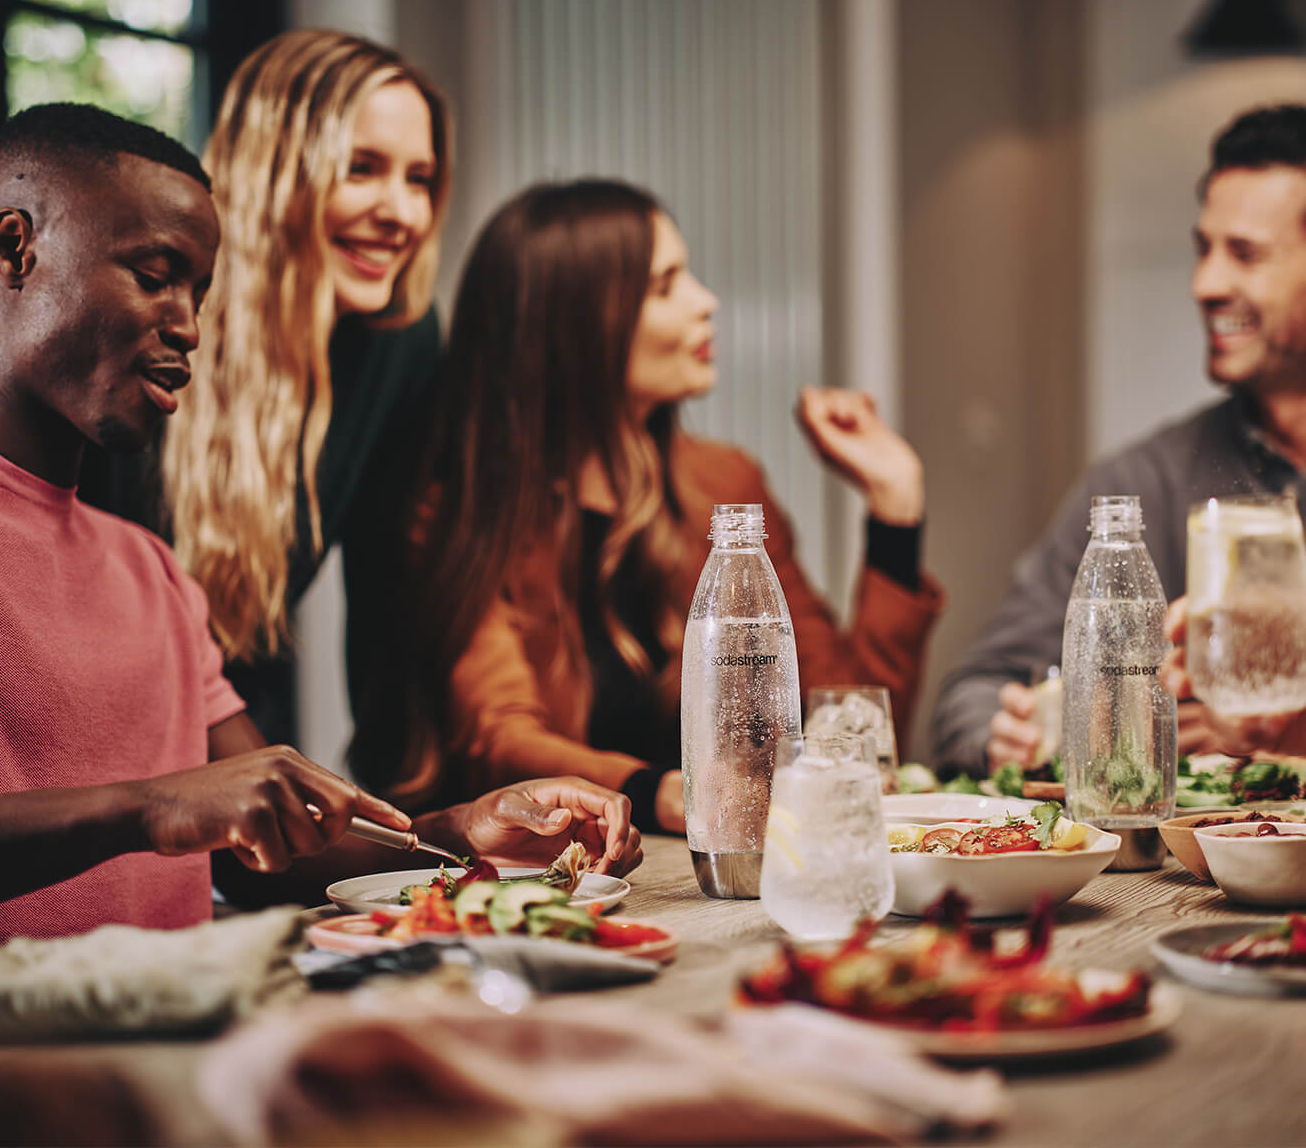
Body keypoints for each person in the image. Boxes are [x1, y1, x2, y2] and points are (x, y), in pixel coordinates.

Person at [0, 104, 641, 943]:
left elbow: (266, 851)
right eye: (154, 275)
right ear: (15, 247)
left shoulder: (151, 571)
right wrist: (153, 807)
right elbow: (181, 812)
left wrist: (460, 837)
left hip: (186, 1048)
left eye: (199, 293)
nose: (187, 325)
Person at [351, 179, 945, 832]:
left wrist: (896, 503)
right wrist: (660, 791)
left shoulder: (724, 484)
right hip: (554, 875)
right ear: (575, 327)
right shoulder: (460, 509)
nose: (706, 302)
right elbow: (498, 738)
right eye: (665, 286)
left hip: (720, 870)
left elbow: (844, 724)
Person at [79, 28, 451, 750]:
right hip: (93, 737)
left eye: (419, 179)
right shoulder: (151, 318)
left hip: (241, 733)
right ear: (272, 169)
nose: (402, 213)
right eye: (361, 168)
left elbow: (386, 600)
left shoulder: (401, 339)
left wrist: (419, 824)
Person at [932, 103, 1306, 779]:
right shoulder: (1144, 483)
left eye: (1243, 254)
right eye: (1203, 249)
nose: (1205, 284)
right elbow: (973, 692)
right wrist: (1014, 734)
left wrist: (1279, 732)